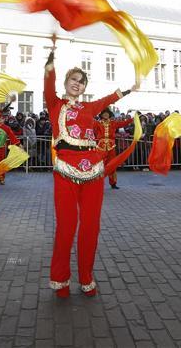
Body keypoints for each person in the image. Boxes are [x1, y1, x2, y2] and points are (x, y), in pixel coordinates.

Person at [45, 34, 137, 297]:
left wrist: (130, 88)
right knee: (66, 226)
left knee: (90, 227)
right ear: (66, 83)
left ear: (85, 87)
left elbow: (109, 99)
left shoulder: (89, 107)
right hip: (65, 168)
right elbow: (48, 83)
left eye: (82, 81)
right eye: (74, 80)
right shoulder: (55, 104)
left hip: (93, 169)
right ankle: (60, 279)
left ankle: (86, 277)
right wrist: (51, 56)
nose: (78, 84)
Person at [94, 109, 133, 190]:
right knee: (100, 165)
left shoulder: (113, 123)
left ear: (109, 115)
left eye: (107, 114)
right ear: (101, 115)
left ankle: (113, 183)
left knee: (112, 164)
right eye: (104, 114)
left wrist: (132, 119)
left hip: (111, 146)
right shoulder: (97, 123)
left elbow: (123, 123)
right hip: (101, 147)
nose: (105, 115)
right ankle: (97, 183)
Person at [0, 112, 20, 185]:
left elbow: (12, 137)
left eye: (1, 118)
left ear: (3, 119)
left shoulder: (6, 128)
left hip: (1, 149)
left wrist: (18, 144)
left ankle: (1, 178)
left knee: (1, 163)